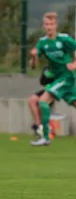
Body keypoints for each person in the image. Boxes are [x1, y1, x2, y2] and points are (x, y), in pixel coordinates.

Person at [30, 12, 76, 146]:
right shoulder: (42, 42)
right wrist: (34, 57)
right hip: (59, 79)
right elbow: (33, 66)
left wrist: (74, 64)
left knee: (43, 101)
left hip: (67, 77)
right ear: (43, 26)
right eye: (46, 24)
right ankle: (45, 136)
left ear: (56, 25)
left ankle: (45, 137)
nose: (49, 27)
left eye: (51, 24)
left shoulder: (65, 39)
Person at [27, 65, 55, 137]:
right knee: (32, 100)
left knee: (41, 102)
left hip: (58, 89)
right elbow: (42, 82)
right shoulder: (47, 68)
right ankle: (38, 125)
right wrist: (47, 74)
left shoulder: (61, 66)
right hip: (48, 89)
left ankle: (43, 127)